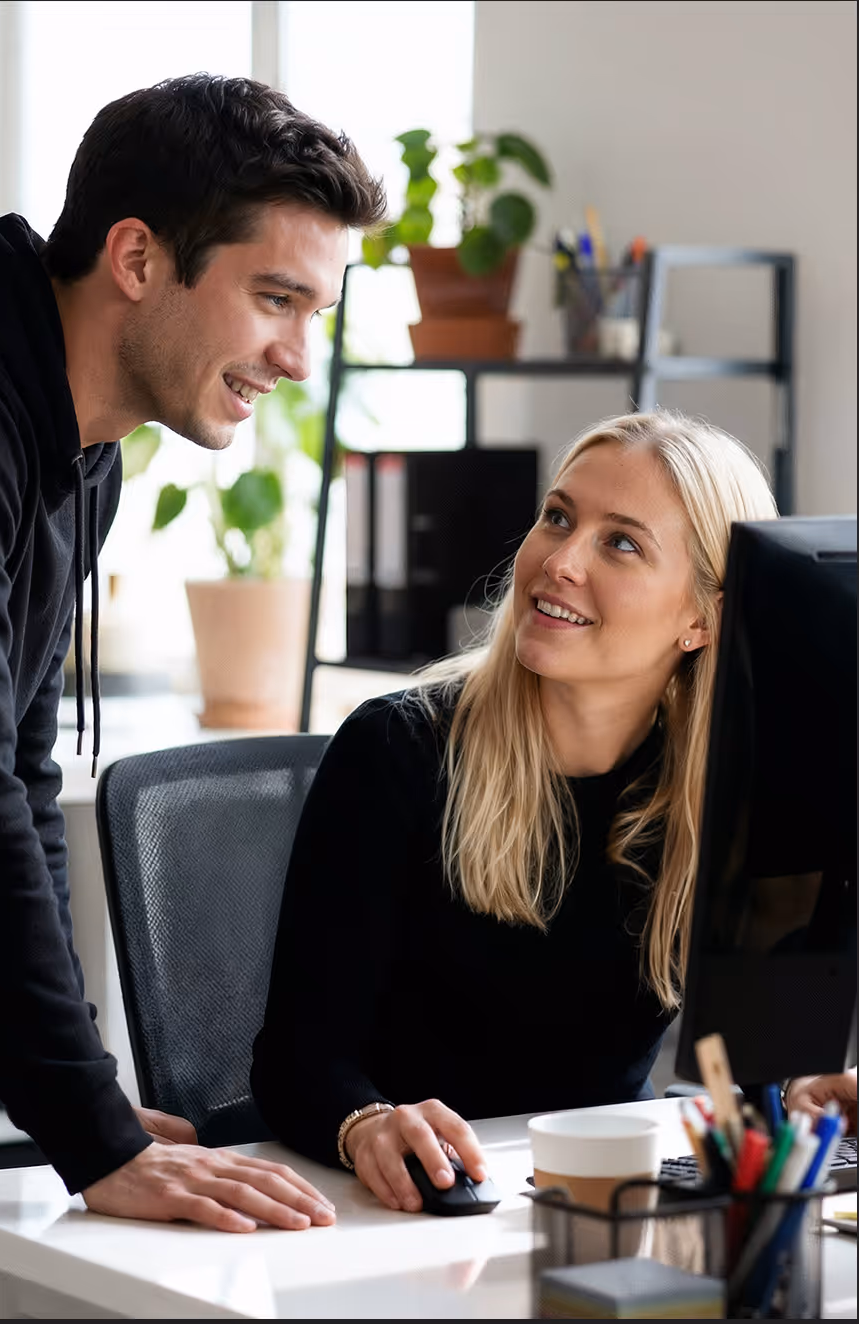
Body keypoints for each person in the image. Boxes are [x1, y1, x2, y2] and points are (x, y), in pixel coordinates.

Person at [0, 73, 385, 1233]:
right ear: (137, 257)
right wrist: (90, 1134)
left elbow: (11, 769)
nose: (298, 355)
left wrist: (83, 1105)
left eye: (314, 311)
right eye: (274, 297)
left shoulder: (76, 444)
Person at [251, 410, 853, 1215]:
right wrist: (366, 1121)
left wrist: (793, 1088)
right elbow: (297, 1059)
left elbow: (734, 1054)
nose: (560, 561)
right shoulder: (399, 749)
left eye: (622, 542)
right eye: (559, 518)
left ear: (703, 618)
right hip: (401, 1207)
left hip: (596, 1193)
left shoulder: (726, 788)